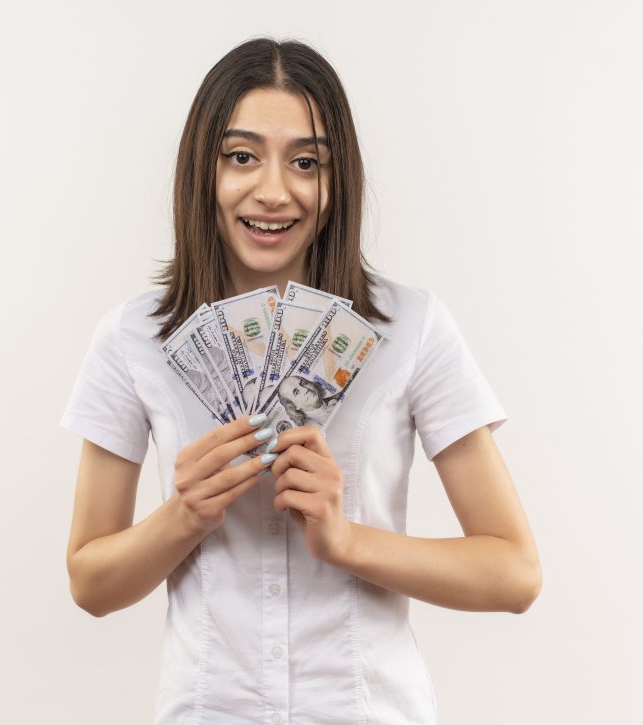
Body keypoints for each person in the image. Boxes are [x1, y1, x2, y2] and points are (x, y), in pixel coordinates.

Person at [61, 37, 542, 724]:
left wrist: (346, 540)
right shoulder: (133, 337)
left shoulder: (413, 326)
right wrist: (183, 515)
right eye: (242, 156)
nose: (274, 191)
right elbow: (90, 580)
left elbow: (515, 572)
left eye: (306, 161)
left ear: (336, 177)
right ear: (204, 170)